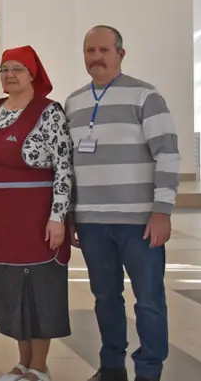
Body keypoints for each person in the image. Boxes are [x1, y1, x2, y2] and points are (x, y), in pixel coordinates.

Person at [65, 26, 179, 381]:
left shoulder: (146, 97)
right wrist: (70, 214)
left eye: (103, 49)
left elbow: (168, 155)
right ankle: (112, 366)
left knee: (148, 301)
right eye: (89, 50)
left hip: (138, 221)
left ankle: (148, 371)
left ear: (120, 53)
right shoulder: (74, 102)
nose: (95, 56)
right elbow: (67, 164)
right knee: (105, 298)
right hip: (92, 222)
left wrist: (162, 211)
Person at [0, 46, 74, 381]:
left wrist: (58, 217)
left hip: (36, 214)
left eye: (17, 69)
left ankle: (39, 366)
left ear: (33, 74)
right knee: (11, 287)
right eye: (4, 69)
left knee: (39, 288)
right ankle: (22, 362)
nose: (9, 75)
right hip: (2, 216)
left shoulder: (49, 112)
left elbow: (63, 168)